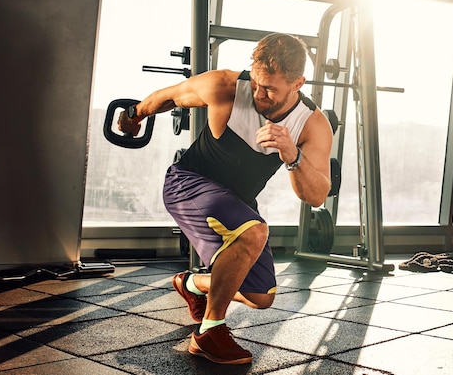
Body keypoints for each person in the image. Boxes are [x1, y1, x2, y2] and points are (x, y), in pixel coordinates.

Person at [118, 33, 333, 365]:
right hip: (188, 183)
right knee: (254, 231)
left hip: (237, 201)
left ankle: (191, 283)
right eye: (258, 84)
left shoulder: (311, 124)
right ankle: (209, 332)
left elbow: (316, 195)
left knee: (261, 296)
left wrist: (292, 155)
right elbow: (171, 96)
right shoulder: (226, 86)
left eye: (271, 89)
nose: (259, 94)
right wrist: (134, 114)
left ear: (298, 83)